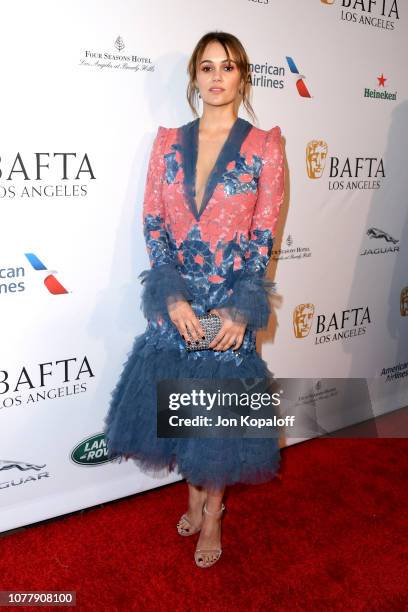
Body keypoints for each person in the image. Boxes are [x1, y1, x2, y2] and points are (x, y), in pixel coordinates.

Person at [103, 31, 285, 568]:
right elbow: (154, 221)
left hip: (231, 302)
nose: (216, 77)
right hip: (178, 300)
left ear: (243, 76)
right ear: (194, 78)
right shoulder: (166, 142)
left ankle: (214, 512)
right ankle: (191, 493)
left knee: (220, 419)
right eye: (206, 67)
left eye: (227, 67)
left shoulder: (265, 146)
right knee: (181, 409)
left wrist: (239, 306)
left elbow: (263, 234)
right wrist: (172, 296)